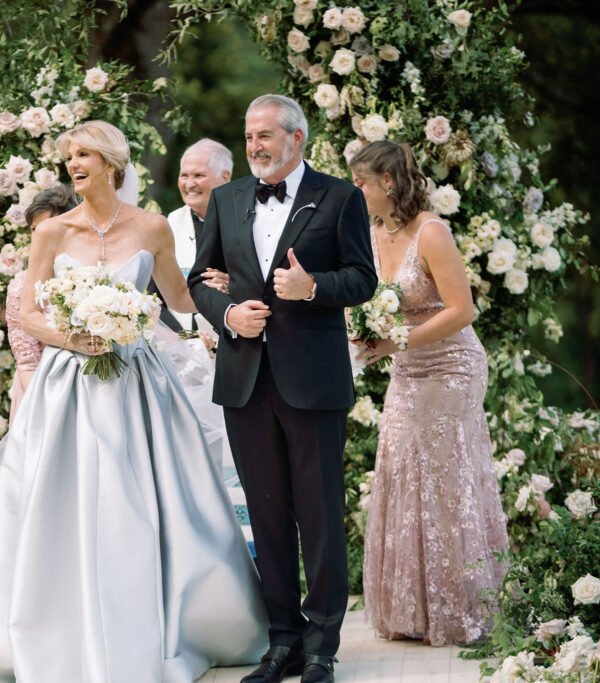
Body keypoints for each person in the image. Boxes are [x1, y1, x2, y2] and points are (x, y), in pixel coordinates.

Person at [0, 120, 269, 683]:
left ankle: (173, 621)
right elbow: (29, 314)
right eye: (69, 156)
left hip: (137, 381)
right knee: (60, 502)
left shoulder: (152, 227)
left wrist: (227, 294)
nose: (74, 164)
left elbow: (181, 299)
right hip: (69, 386)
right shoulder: (52, 233)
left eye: (84, 154)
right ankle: (57, 627)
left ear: (112, 163)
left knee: (147, 501)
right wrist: (75, 337)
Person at [189, 94, 377, 683]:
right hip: (245, 378)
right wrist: (227, 314)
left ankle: (322, 648)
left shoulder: (341, 197)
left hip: (312, 380)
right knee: (266, 518)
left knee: (319, 516)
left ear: (297, 138)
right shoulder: (226, 198)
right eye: (248, 136)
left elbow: (363, 278)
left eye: (266, 135)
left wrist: (312, 287)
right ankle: (283, 644)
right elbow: (200, 278)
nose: (254, 146)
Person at [348, 140, 509, 645]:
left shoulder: (432, 233)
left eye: (362, 184)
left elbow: (462, 310)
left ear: (388, 183)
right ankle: (411, 610)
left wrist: (394, 341)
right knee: (399, 470)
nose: (357, 193)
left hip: (452, 365)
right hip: (406, 366)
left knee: (444, 478)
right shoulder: (371, 234)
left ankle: (460, 609)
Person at [4, 185, 77, 423]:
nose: (39, 238)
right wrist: (51, 410)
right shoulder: (20, 287)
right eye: (34, 229)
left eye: (46, 229)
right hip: (37, 393)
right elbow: (26, 361)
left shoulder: (90, 277)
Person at [152, 138, 233, 331]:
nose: (190, 184)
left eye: (198, 175)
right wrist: (184, 340)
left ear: (225, 177)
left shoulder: (248, 222)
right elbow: (152, 299)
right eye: (184, 175)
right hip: (179, 345)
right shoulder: (164, 226)